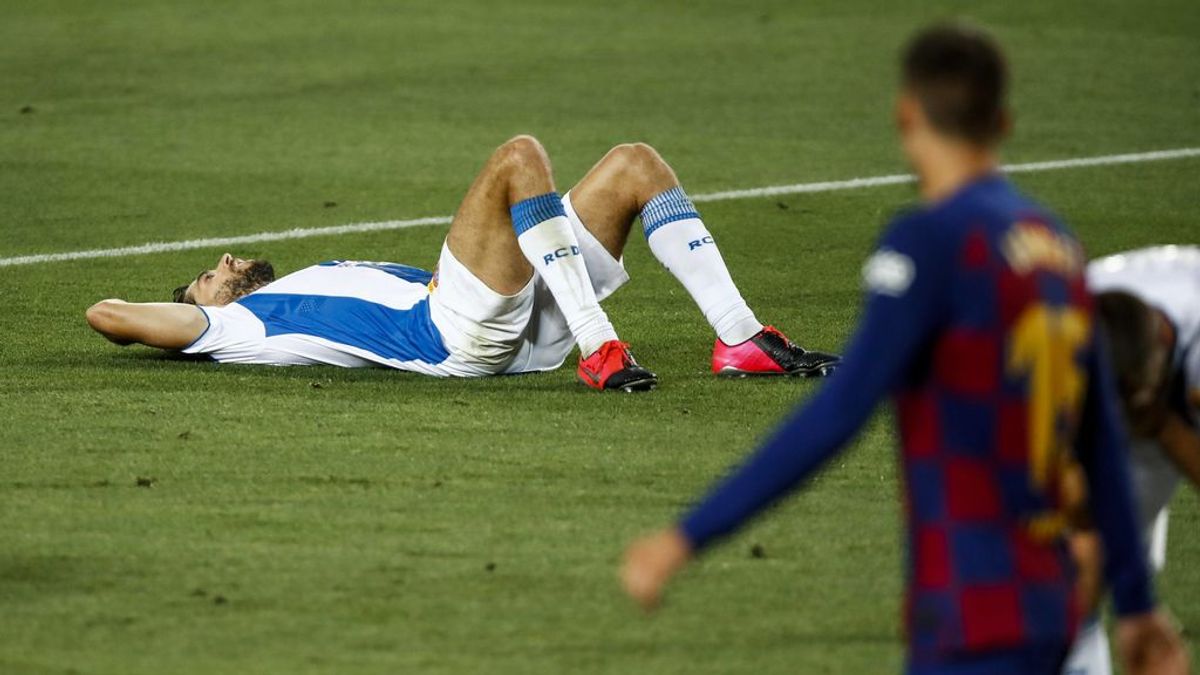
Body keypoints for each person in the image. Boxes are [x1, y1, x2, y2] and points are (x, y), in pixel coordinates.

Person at [620, 23, 1188, 674]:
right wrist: (1139, 605)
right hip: (1052, 610)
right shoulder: (1057, 245)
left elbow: (839, 410)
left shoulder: (928, 241)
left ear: (906, 115)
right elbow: (1100, 443)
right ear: (1003, 121)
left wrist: (687, 536)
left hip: (970, 615)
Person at [85, 136, 839, 391]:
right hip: (449, 334)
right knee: (519, 158)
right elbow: (108, 316)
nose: (221, 264)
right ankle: (598, 342)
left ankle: (739, 337)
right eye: (206, 274)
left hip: (508, 324)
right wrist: (193, 312)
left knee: (634, 165)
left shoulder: (321, 272)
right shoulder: (235, 325)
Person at [1062, 245, 1200, 675]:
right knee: (1071, 563)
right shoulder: (1065, 323)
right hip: (1126, 380)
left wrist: (1160, 426)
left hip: (1171, 387)